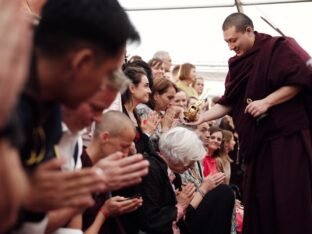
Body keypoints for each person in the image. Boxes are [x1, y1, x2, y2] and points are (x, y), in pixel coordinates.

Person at [193, 12, 312, 234]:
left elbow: (302, 78)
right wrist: (203, 117)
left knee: (289, 197)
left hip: (287, 138)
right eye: (227, 41)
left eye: (233, 40)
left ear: (249, 30)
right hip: (260, 143)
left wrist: (267, 102)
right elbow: (229, 102)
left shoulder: (279, 47)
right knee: (261, 197)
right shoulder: (239, 64)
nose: (230, 47)